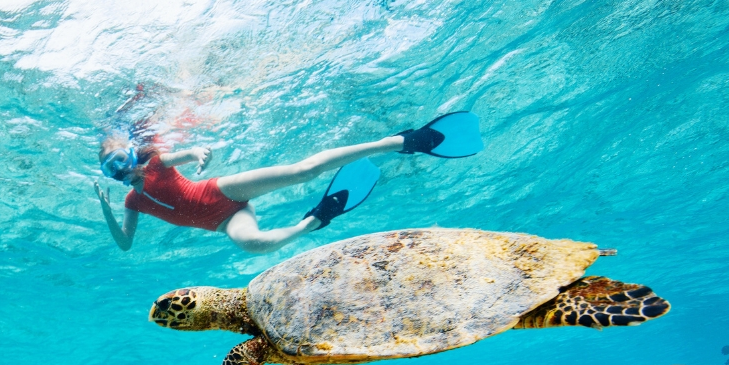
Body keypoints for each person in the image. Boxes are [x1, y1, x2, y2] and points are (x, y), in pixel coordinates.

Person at [93, 111, 482, 254]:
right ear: (109, 176)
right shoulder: (131, 204)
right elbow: (125, 245)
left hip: (223, 191)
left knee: (303, 171)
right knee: (254, 246)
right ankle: (314, 219)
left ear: (132, 154)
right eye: (111, 169)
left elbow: (189, 154)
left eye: (120, 160)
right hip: (225, 221)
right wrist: (108, 210)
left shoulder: (158, 164)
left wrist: (198, 155)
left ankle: (400, 142)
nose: (120, 169)